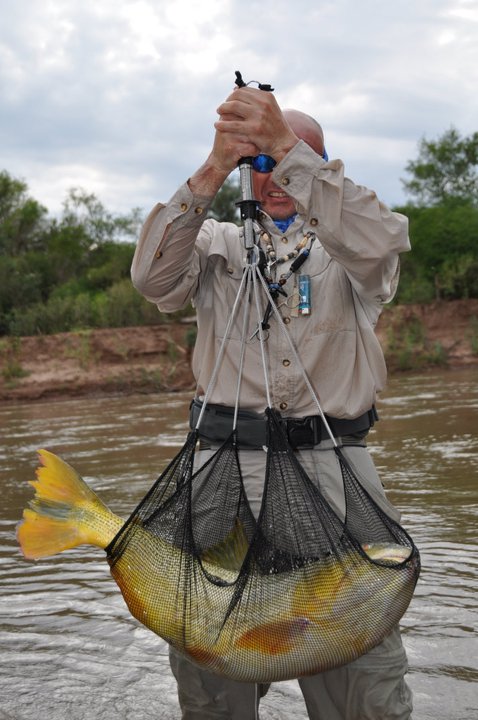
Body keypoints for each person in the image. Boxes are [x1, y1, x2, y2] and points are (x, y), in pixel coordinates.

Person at [131, 84, 413, 720]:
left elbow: (379, 247)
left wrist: (283, 143)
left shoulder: (352, 247)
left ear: (319, 166)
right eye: (262, 163)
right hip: (222, 468)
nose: (278, 175)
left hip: (334, 470)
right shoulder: (219, 244)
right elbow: (154, 280)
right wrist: (212, 168)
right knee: (207, 652)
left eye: (294, 161)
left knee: (361, 663)